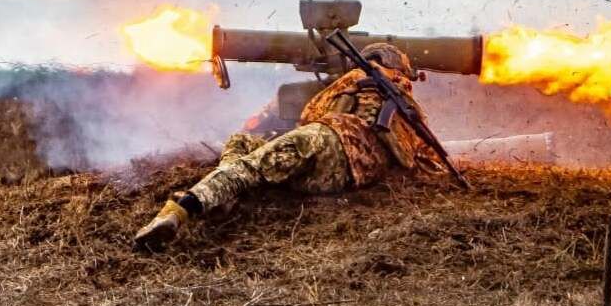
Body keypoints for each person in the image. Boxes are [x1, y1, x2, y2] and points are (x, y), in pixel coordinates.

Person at [133, 42, 441, 251]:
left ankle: (179, 211)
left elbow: (312, 114)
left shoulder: (355, 77)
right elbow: (424, 157)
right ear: (399, 68)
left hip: (324, 140)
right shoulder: (408, 104)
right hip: (340, 177)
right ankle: (226, 193)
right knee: (250, 152)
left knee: (248, 160)